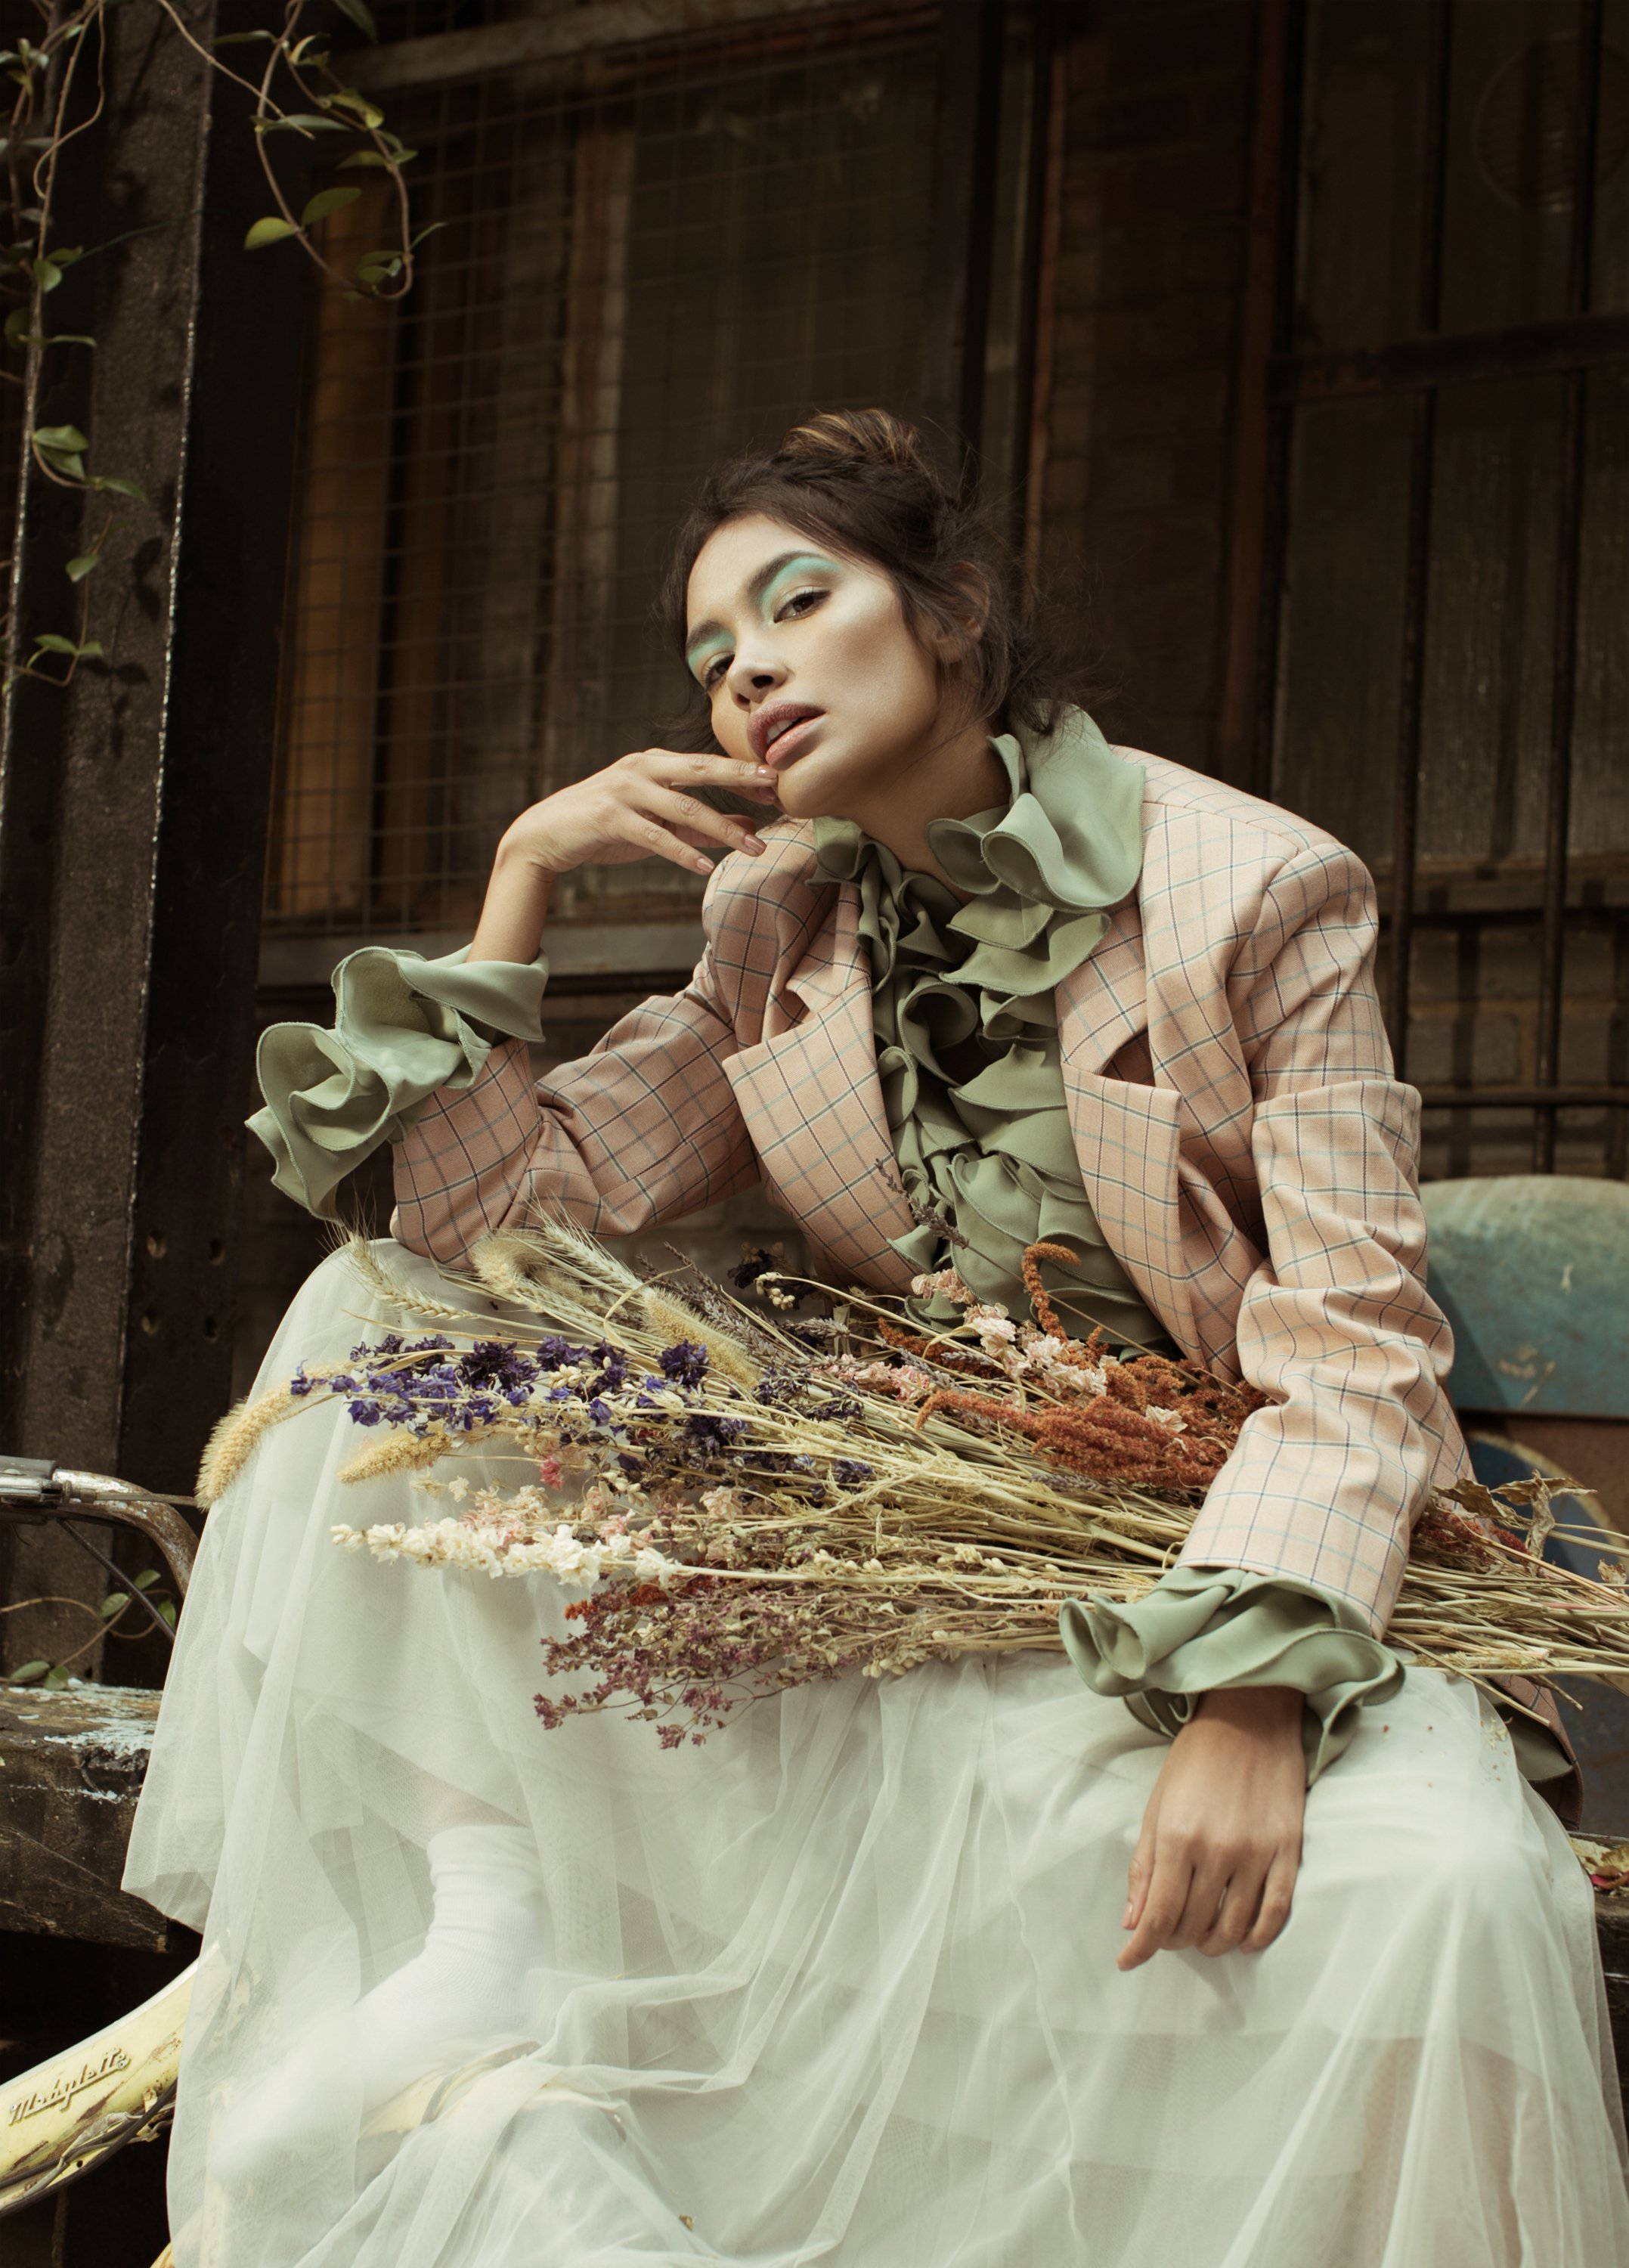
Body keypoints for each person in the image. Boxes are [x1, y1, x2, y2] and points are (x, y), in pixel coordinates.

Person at [127, 409, 1629, 2265]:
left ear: (954, 609)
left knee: (1453, 1889)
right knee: (394, 1317)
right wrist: (520, 882)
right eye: (710, 655)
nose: (747, 671)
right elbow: (497, 1224)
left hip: (1219, 1540)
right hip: (939, 1534)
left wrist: (1249, 1705)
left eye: (794, 603)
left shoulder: (1251, 890)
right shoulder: (780, 919)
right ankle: (485, 1918)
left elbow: (1354, 1341)